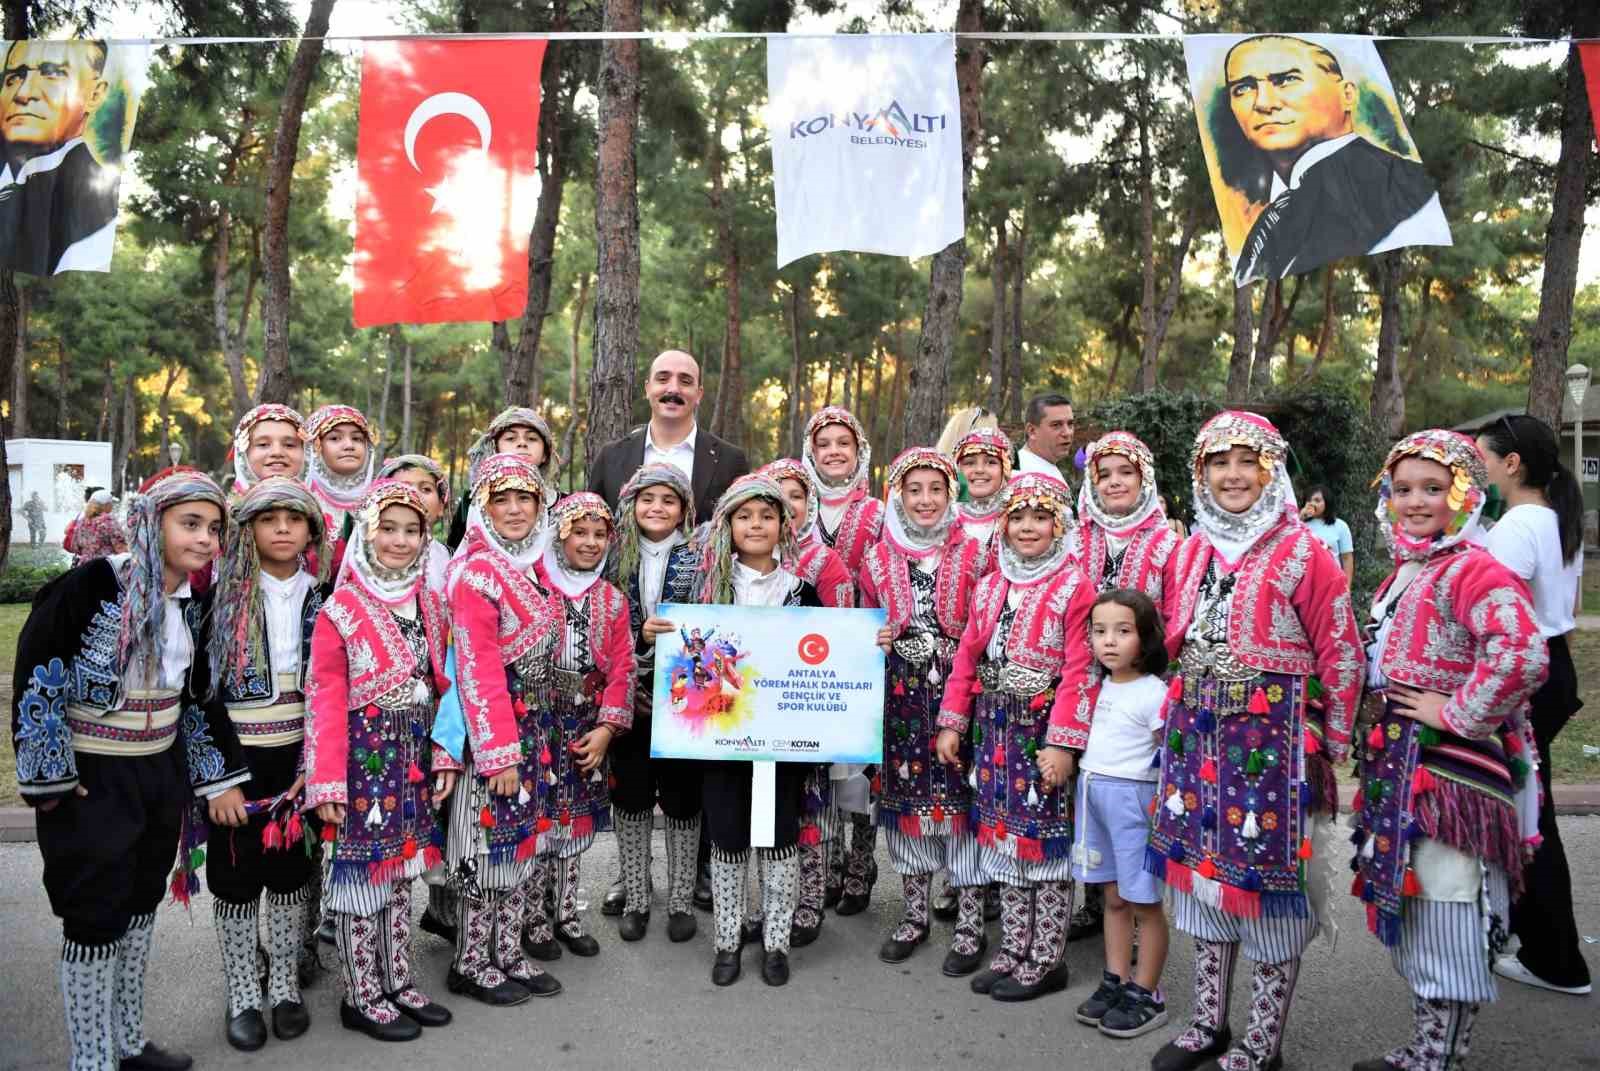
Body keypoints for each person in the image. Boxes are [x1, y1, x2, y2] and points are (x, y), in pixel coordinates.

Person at [1148, 411, 1364, 1071]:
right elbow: (1173, 640)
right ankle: (1208, 1022)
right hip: (1195, 740)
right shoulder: (1188, 550)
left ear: (1271, 472)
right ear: (1202, 474)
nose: (1233, 475)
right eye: (1220, 463)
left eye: (1248, 462)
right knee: (1202, 885)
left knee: (1268, 891)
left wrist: (1331, 741)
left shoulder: (1305, 552)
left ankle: (1262, 1042)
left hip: (1271, 747)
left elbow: (1343, 650)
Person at [12, 467, 245, 1071]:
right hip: (95, 778)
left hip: (158, 773)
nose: (205, 540)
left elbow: (197, 698)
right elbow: (38, 669)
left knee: (141, 904)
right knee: (94, 917)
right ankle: (91, 1060)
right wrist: (52, 777)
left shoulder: (195, 605)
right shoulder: (93, 584)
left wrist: (214, 778)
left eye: (214, 529)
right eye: (190, 524)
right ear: (151, 521)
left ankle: (128, 1043)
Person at [1349, 430, 1548, 1071]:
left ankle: (1440, 1056)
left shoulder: (1472, 567)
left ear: (1464, 496)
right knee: (1423, 908)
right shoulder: (1411, 571)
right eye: (1402, 489)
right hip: (1404, 768)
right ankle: (1434, 1048)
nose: (1415, 502)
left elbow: (1522, 654)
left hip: (1446, 777)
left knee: (1446, 908)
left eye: (1433, 489)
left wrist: (1455, 712)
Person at [935, 471, 1099, 1002]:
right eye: (1019, 518)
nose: (1029, 528)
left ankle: (1047, 956)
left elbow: (1081, 668)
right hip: (995, 727)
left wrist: (1064, 742)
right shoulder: (990, 585)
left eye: (1041, 517)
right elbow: (967, 657)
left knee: (1044, 842)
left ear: (1059, 524)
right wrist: (953, 720)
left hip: (1040, 732)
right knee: (1002, 836)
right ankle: (1013, 948)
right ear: (1003, 525)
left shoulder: (1076, 586)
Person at [304, 479, 454, 1043]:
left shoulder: (429, 603)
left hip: (411, 763)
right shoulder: (340, 610)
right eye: (387, 529)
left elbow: (444, 687)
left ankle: (398, 980)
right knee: (363, 880)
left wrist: (443, 754)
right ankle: (361, 992)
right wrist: (327, 786)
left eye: (412, 530)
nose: (399, 540)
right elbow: (324, 699)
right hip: (361, 766)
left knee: (401, 873)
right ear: (366, 533)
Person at [203, 477, 331, 1051]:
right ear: (247, 530)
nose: (282, 528)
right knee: (234, 875)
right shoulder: (218, 602)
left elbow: (334, 691)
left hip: (301, 758)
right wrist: (218, 780)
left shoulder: (327, 598)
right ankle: (241, 991)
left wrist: (317, 763)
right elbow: (196, 696)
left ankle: (283, 985)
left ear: (311, 530)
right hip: (236, 760)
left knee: (289, 872)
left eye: (294, 518)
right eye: (268, 518)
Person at [442, 453, 566, 1005]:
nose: (515, 510)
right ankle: (471, 959)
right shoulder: (475, 572)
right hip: (493, 736)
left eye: (526, 498)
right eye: (501, 499)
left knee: (523, 845)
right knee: (486, 843)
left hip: (535, 732)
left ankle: (509, 950)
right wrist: (498, 754)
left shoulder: (539, 565)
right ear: (482, 507)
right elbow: (476, 667)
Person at [858, 448, 987, 975]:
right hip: (899, 699)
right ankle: (914, 915)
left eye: (936, 488)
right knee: (906, 806)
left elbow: (990, 625)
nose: (926, 500)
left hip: (959, 695)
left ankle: (971, 923)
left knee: (961, 808)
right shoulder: (875, 559)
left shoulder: (978, 555)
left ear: (950, 493)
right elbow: (858, 627)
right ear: (898, 496)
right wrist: (875, 635)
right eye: (915, 490)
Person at [1476, 415, 1592, 997]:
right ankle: (1540, 942)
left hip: (1526, 673)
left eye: (1485, 460)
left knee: (1531, 819)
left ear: (1512, 463)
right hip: (1551, 667)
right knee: (1530, 811)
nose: (1481, 471)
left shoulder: (1519, 523)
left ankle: (1556, 959)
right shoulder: (1554, 518)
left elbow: (1495, 610)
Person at [694, 475, 823, 988]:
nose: (755, 525)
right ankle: (727, 942)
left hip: (782, 742)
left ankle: (775, 943)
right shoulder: (706, 591)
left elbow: (826, 658)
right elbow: (688, 660)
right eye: (744, 516)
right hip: (723, 739)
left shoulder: (801, 592)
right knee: (726, 835)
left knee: (778, 838)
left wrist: (866, 642)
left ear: (783, 526)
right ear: (727, 524)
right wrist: (657, 631)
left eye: (766, 516)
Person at [1218, 34, 1449, 286]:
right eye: (1243, 88)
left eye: (1286, 80)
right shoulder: (1278, 208)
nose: (1263, 103)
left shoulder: (1397, 184)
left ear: (1347, 94)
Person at [1070, 431, 1181, 944]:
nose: (1115, 483)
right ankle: (1097, 903)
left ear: (1145, 479)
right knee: (1090, 790)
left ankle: (1139, 921)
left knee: (1134, 795)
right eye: (1104, 474)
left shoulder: (1167, 542)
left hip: (1142, 684)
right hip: (1084, 684)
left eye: (1125, 473)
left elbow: (1177, 617)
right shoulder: (1078, 536)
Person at [523, 493, 634, 960]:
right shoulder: (534, 587)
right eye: (579, 533)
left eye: (598, 534)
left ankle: (566, 913)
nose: (589, 543)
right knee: (539, 821)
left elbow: (623, 668)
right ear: (558, 535)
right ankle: (531, 920)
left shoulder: (611, 599)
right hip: (538, 721)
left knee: (573, 823)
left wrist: (608, 728)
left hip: (585, 724)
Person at [608, 464, 705, 943]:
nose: (657, 508)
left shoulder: (703, 557)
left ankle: (682, 899)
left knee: (683, 796)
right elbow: (599, 621)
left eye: (669, 500)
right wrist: (636, 641)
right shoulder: (612, 557)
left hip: (685, 697)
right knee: (631, 793)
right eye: (648, 499)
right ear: (631, 504)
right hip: (629, 692)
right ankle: (637, 896)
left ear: (684, 510)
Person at [761, 457, 855, 940]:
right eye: (775, 494)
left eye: (796, 495)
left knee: (810, 805)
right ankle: (769, 903)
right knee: (763, 808)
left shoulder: (824, 562)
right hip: (754, 715)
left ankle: (809, 902)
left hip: (805, 705)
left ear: (807, 504)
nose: (786, 503)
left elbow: (839, 638)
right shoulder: (738, 561)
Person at [1071, 590, 1171, 1040]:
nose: (1109, 641)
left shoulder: (1155, 693)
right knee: (1112, 896)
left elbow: (1168, 754)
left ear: (1146, 637)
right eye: (1100, 631)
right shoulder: (1096, 685)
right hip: (1093, 794)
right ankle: (1115, 978)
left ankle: (1147, 991)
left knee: (1144, 901)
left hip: (1133, 801)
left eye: (1123, 631)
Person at [801, 405, 884, 913]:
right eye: (824, 443)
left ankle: (861, 863)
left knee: (859, 763)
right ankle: (827, 863)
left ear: (859, 453)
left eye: (843, 443)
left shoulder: (877, 513)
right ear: (810, 452)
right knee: (821, 761)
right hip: (805, 658)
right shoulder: (794, 506)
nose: (834, 451)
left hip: (861, 655)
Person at [588, 350, 750, 526]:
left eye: (685, 381)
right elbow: (592, 526)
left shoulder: (730, 460)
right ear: (647, 388)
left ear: (699, 394)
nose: (673, 389)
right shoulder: (610, 457)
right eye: (663, 379)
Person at [0, 39, 120, 275]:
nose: (23, 94)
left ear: (95, 94)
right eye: (13, 78)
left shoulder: (95, 212)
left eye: (53, 74)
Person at [446, 407, 559, 551]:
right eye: (511, 438)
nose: (522, 444)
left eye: (531, 438)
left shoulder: (566, 505)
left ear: (545, 454)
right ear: (495, 449)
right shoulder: (472, 502)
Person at [377, 454, 452, 594]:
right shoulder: (369, 556)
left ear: (441, 506)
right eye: (404, 486)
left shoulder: (453, 560)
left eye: (426, 489)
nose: (414, 494)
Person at [304, 404, 376, 543]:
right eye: (335, 438)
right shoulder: (300, 501)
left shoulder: (379, 501)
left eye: (357, 439)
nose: (349, 445)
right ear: (315, 447)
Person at [953, 426, 1014, 572]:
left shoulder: (1016, 517)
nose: (979, 470)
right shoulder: (943, 517)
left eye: (991, 462)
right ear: (958, 470)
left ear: (1004, 470)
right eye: (970, 463)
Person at [231, 404, 308, 494]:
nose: (277, 452)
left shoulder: (321, 506)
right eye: (263, 445)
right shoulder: (219, 507)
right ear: (244, 453)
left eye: (289, 445)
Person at [1300, 484, 1355, 586]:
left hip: (1332, 584)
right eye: (1309, 500)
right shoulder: (1300, 525)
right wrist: (1299, 518)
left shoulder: (1340, 526)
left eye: (1317, 500)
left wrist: (1347, 587)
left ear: (1327, 502)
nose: (1312, 504)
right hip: (1305, 585)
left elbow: (1347, 558)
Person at [1016, 393, 1075, 479]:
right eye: (1056, 425)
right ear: (1032, 431)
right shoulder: (1026, 478)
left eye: (1070, 424)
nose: (1067, 433)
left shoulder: (1042, 466)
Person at [71, 488, 127, 565]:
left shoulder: (81, 522)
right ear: (105, 505)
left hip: (84, 566)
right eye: (111, 503)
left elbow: (75, 547)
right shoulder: (108, 520)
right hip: (104, 566)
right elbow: (120, 547)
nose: (112, 505)